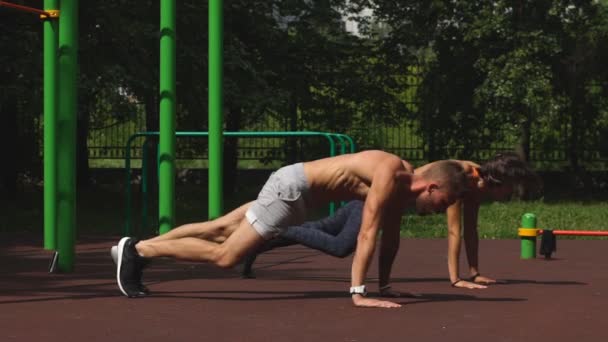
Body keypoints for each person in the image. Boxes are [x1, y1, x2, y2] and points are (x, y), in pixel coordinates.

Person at [114, 150, 469, 308]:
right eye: (443, 204)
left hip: (295, 194)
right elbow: (366, 234)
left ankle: (136, 246)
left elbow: (391, 239)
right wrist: (358, 293)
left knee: (219, 228)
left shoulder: (402, 190)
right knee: (226, 256)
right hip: (291, 190)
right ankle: (139, 252)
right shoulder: (390, 174)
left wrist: (387, 285)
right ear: (432, 188)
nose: (440, 212)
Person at [238, 152, 538, 292]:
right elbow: (454, 229)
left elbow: (470, 230)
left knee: (321, 230)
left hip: (378, 202)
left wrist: (473, 273)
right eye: (511, 187)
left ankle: (258, 242)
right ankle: (269, 228)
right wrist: (455, 279)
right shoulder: (463, 177)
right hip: (370, 199)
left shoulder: (476, 184)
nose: (511, 194)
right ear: (499, 181)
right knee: (341, 244)